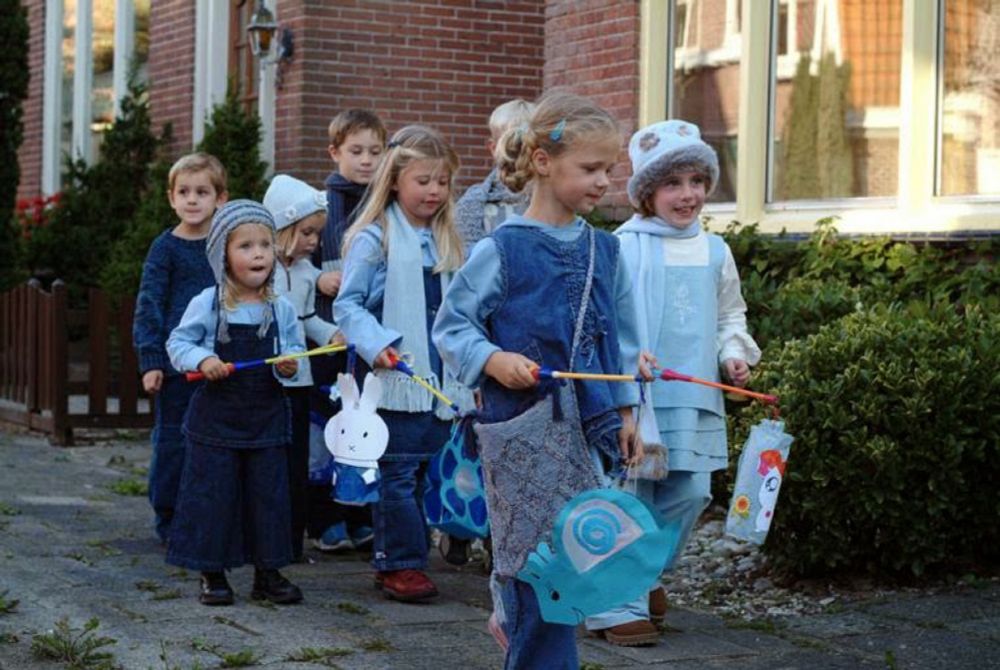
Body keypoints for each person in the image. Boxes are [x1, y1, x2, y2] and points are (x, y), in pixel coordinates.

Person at [432, 91, 643, 669]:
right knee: (536, 563)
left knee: (575, 564)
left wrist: (627, 411)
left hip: (589, 433)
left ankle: (524, 629)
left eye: (610, 169)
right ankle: (526, 634)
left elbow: (619, 340)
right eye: (591, 168)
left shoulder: (608, 250)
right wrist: (493, 360)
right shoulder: (503, 248)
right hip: (521, 432)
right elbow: (452, 325)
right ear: (545, 164)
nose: (604, 182)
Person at [596, 119, 762, 641]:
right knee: (633, 495)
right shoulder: (622, 247)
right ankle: (615, 606)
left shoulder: (715, 251)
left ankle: (641, 577)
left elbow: (729, 315)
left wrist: (733, 352)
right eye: (673, 183)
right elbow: (605, 318)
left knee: (691, 492)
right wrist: (623, 361)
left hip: (694, 399)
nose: (687, 195)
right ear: (647, 192)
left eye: (696, 181)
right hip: (640, 398)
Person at [334, 125, 473, 603]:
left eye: (442, 182)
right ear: (395, 181)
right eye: (423, 181)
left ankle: (395, 556)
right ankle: (402, 564)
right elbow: (348, 306)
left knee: (420, 472)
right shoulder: (375, 239)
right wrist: (379, 344)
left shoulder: (449, 239)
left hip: (439, 378)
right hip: (394, 375)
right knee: (395, 471)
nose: (434, 191)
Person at [166, 200, 306, 607]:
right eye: (245, 246)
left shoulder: (280, 308)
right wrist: (203, 359)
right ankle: (212, 572)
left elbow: (295, 351)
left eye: (265, 244)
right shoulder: (208, 303)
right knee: (213, 495)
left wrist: (289, 367)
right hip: (217, 422)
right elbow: (178, 343)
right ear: (222, 255)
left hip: (265, 421)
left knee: (269, 496)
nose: (259, 253)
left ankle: (268, 572)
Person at [445, 98, 534, 568]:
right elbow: (466, 276)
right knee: (477, 435)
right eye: (510, 137)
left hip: (529, 340)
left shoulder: (545, 199)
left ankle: (502, 534)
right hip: (486, 335)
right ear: (492, 146)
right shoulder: (476, 205)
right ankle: (463, 518)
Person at [133, 152, 228, 544]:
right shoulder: (165, 249)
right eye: (184, 192)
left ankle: (211, 516)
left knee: (215, 443)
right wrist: (151, 360)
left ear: (220, 199)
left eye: (202, 192)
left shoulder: (228, 246)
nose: (192, 200)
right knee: (174, 442)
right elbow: (149, 304)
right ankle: (169, 517)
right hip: (176, 367)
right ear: (172, 198)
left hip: (222, 365)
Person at [309, 109, 387, 551]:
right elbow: (295, 253)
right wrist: (317, 277)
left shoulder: (384, 203)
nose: (366, 160)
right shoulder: (322, 205)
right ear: (335, 152)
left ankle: (361, 513)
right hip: (327, 334)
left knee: (366, 423)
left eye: (375, 151)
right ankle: (326, 517)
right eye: (356, 151)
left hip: (370, 332)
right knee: (330, 424)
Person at [264, 175, 342, 562]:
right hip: (268, 378)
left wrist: (330, 334)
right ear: (282, 227)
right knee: (271, 457)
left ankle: (291, 540)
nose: (314, 241)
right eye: (307, 233)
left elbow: (307, 317)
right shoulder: (263, 271)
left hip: (300, 378)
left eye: (316, 233)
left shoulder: (307, 273)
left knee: (297, 457)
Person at [454, 98, 534, 253]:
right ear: (493, 147)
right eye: (512, 145)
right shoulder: (474, 202)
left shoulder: (553, 198)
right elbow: (465, 261)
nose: (519, 153)